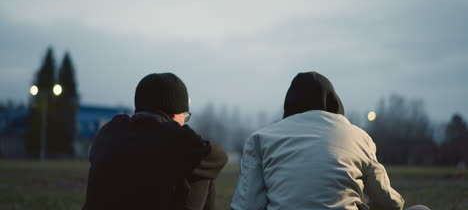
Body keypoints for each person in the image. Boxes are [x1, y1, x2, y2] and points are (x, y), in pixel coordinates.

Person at [230, 71, 430, 210]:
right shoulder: (359, 137)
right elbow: (389, 203)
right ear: (335, 103)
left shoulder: (260, 139)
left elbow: (245, 206)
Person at [83, 73, 228, 210]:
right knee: (203, 171)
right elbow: (219, 157)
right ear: (173, 112)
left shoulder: (109, 130)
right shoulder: (174, 135)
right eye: (185, 115)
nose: (184, 122)